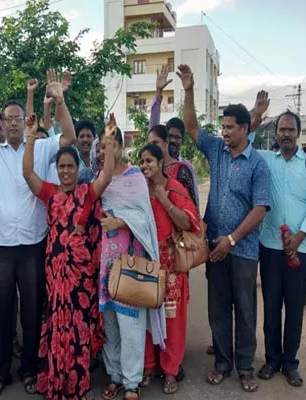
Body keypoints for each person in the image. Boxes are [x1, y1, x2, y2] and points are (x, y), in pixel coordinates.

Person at [0, 69, 77, 399]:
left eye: (17, 118)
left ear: (27, 120)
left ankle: (29, 370)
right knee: (0, 310)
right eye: (8, 119)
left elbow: (68, 136)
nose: (11, 123)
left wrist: (60, 99)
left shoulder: (39, 146)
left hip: (32, 245)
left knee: (31, 312)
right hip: (0, 247)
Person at [177, 64, 270, 393]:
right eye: (223, 127)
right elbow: (190, 127)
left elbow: (260, 208)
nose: (224, 132)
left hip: (242, 250)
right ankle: (222, 363)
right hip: (213, 245)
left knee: (244, 309)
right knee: (218, 308)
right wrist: (188, 89)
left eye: (230, 127)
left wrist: (232, 239)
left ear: (245, 128)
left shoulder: (257, 164)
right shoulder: (216, 149)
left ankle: (245, 366)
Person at [23, 113, 115, 400]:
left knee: (79, 326)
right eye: (61, 166)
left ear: (78, 169)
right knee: (58, 323)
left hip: (81, 274)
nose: (65, 171)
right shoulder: (50, 193)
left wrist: (109, 140)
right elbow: (27, 173)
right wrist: (29, 139)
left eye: (70, 166)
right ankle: (56, 379)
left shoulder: (88, 193)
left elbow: (108, 174)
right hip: (55, 271)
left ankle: (78, 383)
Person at [97, 128, 166, 400]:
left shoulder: (134, 177)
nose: (104, 150)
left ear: (121, 147)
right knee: (110, 323)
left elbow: (144, 218)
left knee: (130, 325)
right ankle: (114, 375)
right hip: (106, 264)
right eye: (101, 146)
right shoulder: (100, 178)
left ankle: (131, 382)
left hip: (131, 264)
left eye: (109, 145)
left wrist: (121, 221)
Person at [256, 110, 306, 387]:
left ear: (298, 133)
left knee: (295, 308)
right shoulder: (267, 160)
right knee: (271, 306)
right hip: (270, 246)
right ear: (276, 133)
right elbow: (244, 143)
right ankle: (272, 360)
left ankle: (290, 363)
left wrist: (300, 237)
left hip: (300, 249)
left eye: (290, 130)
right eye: (281, 130)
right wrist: (257, 116)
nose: (285, 134)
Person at [138, 144, 200, 394]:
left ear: (160, 162)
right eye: (142, 161)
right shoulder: (139, 189)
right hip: (146, 263)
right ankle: (148, 366)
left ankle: (171, 370)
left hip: (171, 265)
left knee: (171, 320)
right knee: (146, 315)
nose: (145, 166)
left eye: (149, 161)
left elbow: (189, 223)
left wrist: (164, 200)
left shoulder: (174, 188)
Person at [150, 64, 199, 209]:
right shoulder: (154, 164)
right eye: (169, 136)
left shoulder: (185, 167)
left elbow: (193, 199)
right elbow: (153, 128)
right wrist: (159, 92)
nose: (172, 140)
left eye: (177, 137)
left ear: (182, 141)